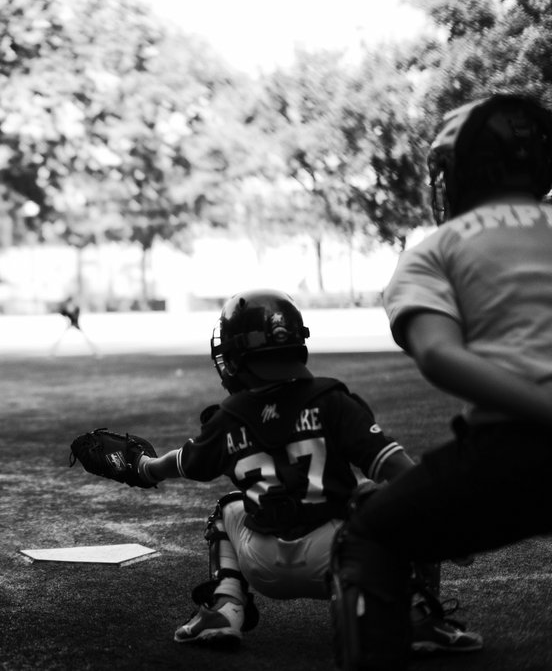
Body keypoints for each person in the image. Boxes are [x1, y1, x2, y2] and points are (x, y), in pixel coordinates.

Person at [109, 290, 480, 655]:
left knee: (229, 510)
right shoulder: (332, 400)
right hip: (342, 559)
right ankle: (415, 615)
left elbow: (182, 463)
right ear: (297, 342)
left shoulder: (227, 417)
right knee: (384, 497)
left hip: (261, 562)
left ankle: (226, 607)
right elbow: (395, 467)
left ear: (236, 354)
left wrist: (142, 467)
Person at [330, 93, 552, 670]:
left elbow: (437, 353)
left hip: (515, 453)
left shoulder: (437, 249)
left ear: (453, 172)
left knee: (370, 534)